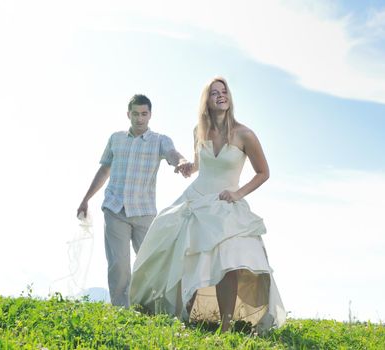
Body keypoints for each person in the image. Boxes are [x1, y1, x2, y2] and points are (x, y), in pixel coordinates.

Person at [129, 77, 285, 333]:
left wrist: (238, 194)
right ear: (207, 100)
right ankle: (184, 316)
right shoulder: (198, 131)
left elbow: (263, 172)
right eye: (214, 93)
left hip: (225, 202)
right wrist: (188, 167)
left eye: (224, 92)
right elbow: (200, 164)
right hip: (197, 199)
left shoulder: (245, 134)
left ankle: (226, 325)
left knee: (229, 261)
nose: (221, 96)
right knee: (183, 253)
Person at [77, 94, 188, 307]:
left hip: (144, 212)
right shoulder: (115, 139)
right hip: (115, 208)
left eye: (144, 114)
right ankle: (121, 310)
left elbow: (172, 154)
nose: (139, 118)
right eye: (135, 114)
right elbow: (104, 169)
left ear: (150, 115)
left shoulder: (159, 140)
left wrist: (181, 162)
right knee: (118, 265)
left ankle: (151, 308)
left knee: (150, 263)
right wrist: (86, 199)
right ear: (128, 114)